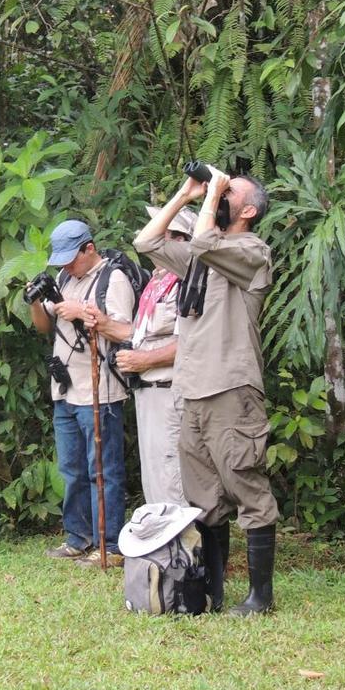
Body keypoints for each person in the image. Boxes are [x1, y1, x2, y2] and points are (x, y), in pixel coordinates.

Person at [134, 166, 277, 615]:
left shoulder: (252, 251)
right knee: (205, 500)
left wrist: (212, 194)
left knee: (247, 489)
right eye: (222, 186)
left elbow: (205, 241)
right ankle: (212, 593)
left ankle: (260, 598)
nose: (221, 192)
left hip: (231, 388)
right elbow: (148, 244)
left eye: (232, 191)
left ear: (248, 210)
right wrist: (186, 193)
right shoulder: (201, 257)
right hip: (192, 391)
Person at [29, 220, 134, 568]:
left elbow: (126, 331)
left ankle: (112, 545)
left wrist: (86, 314)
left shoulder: (112, 278)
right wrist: (34, 302)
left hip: (100, 390)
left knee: (103, 470)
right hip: (65, 390)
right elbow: (45, 326)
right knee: (71, 469)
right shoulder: (63, 279)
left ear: (89, 248)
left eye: (70, 260)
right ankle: (78, 537)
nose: (65, 267)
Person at [115, 206, 197, 507]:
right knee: (154, 476)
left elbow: (190, 342)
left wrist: (144, 361)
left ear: (179, 239)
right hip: (148, 392)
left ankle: (180, 552)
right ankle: (164, 551)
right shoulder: (156, 281)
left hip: (169, 392)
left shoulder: (187, 281)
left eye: (164, 233)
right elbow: (140, 334)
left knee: (171, 474)